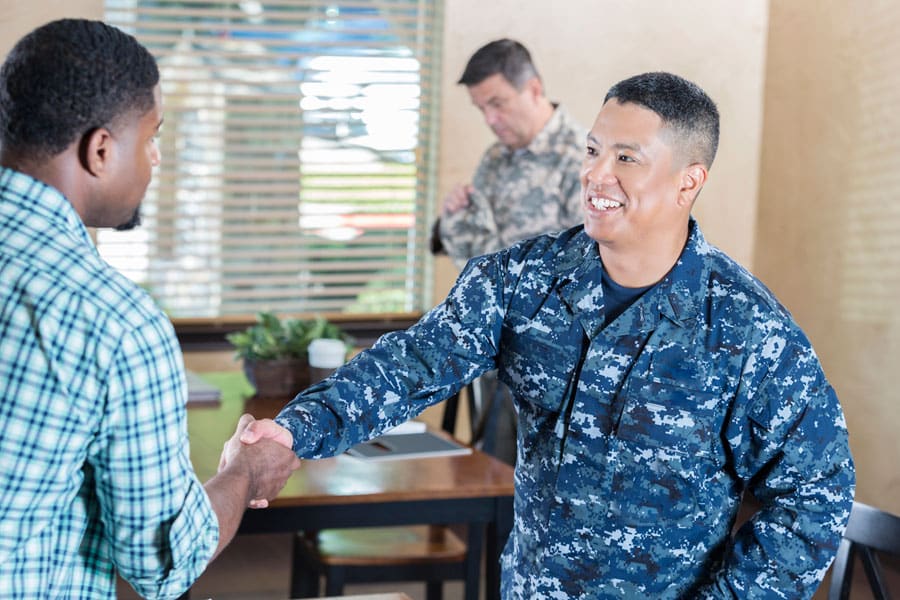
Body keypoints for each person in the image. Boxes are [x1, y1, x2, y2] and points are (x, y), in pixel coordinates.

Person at [237, 72, 855, 598]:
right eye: (592, 151)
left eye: (626, 158)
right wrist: (293, 431)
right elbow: (410, 364)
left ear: (688, 182)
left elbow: (817, 496)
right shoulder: (521, 281)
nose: (596, 175)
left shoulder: (748, 329)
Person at [0, 19, 300, 599]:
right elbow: (163, 562)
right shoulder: (113, 322)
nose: (156, 159)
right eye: (151, 137)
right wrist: (243, 473)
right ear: (101, 149)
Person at [433, 38, 585, 463]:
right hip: (499, 351)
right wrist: (454, 220)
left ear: (533, 89)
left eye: (497, 104)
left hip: (558, 361)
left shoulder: (582, 159)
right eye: (481, 108)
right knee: (494, 477)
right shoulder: (496, 159)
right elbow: (478, 262)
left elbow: (597, 269)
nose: (490, 119)